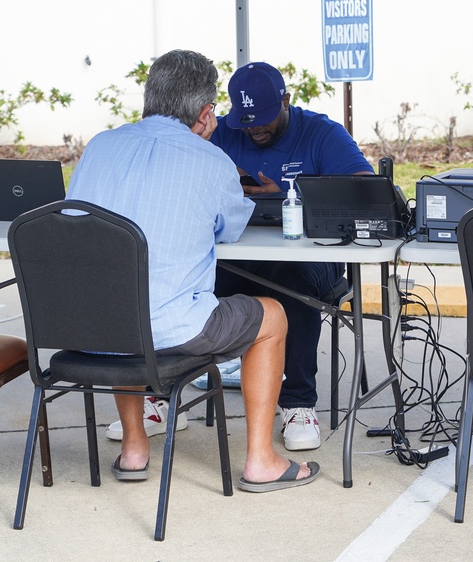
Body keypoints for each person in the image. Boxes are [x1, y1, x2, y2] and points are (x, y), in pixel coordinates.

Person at [69, 49, 318, 491]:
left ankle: (134, 449)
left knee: (120, 298)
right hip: (172, 332)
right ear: (205, 115)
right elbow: (230, 228)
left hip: (93, 325)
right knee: (272, 316)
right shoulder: (212, 161)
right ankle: (261, 460)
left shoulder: (99, 146)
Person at [106, 61, 374, 451]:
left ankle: (298, 403)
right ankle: (162, 396)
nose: (253, 129)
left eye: (263, 118)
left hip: (307, 256)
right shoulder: (219, 135)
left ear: (286, 100)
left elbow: (364, 192)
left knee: (290, 286)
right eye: (244, 120)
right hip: (231, 254)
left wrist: (286, 196)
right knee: (175, 283)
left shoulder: (321, 132)